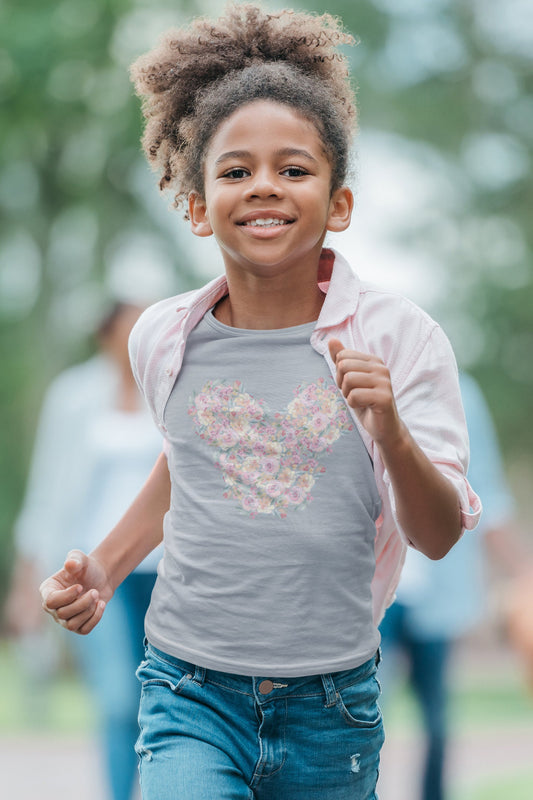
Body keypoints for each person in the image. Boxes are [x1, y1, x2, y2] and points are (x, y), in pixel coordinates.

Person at [38, 6, 481, 799]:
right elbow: (189, 462)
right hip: (188, 686)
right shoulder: (162, 338)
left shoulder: (401, 339)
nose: (264, 186)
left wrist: (389, 430)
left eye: (294, 169)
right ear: (196, 203)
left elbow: (438, 535)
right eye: (235, 171)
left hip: (331, 702)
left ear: (337, 203)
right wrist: (104, 566)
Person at [5, 302, 162, 800]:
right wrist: (25, 584)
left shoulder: (172, 386)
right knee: (118, 696)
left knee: (165, 698)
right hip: (97, 571)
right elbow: (47, 491)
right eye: (131, 327)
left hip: (168, 571)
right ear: (106, 335)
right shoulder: (74, 396)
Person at [378, 371, 527, 800]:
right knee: (365, 713)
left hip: (436, 589)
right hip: (375, 591)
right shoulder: (348, 378)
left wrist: (521, 570)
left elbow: (486, 490)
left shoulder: (462, 394)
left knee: (437, 719)